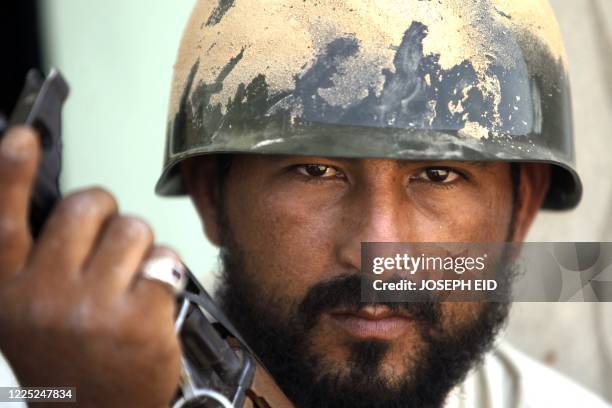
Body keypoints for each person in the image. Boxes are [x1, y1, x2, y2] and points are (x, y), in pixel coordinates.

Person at [0, 1, 609, 407]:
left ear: (521, 207)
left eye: (438, 174)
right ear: (213, 193)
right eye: (315, 171)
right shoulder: (50, 383)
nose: (378, 249)